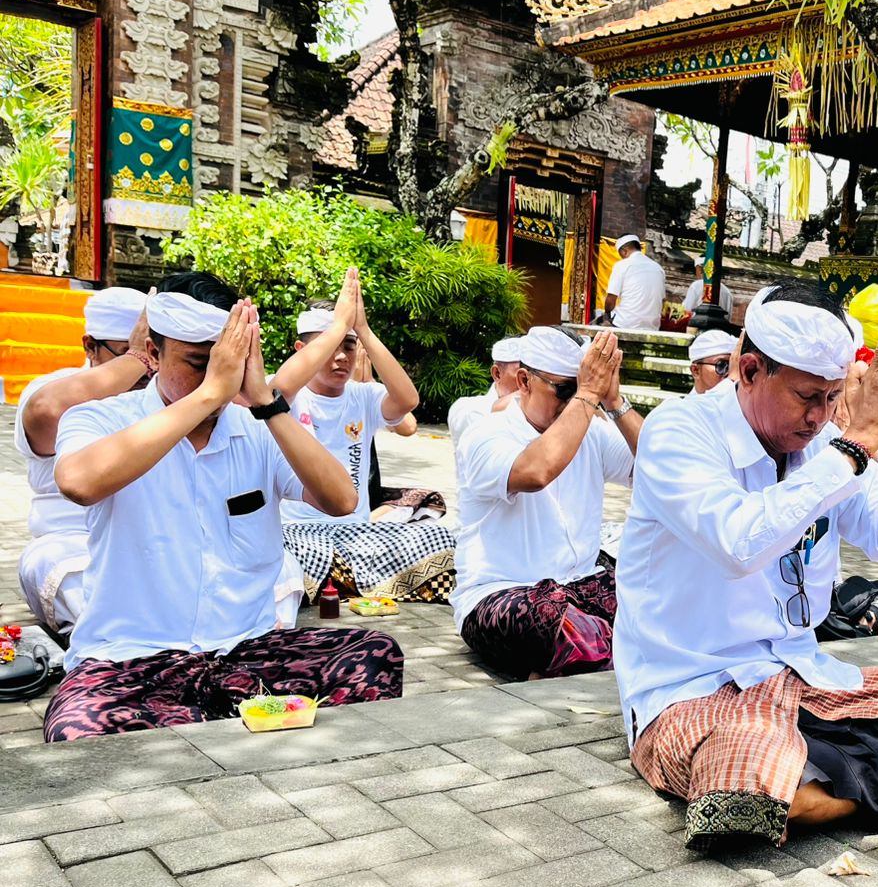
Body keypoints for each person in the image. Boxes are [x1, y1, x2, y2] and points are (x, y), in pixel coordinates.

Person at [614, 282, 878, 849]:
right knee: (745, 785)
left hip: (804, 680)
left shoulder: (831, 445)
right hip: (693, 691)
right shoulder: (679, 431)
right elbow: (740, 545)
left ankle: (851, 777)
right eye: (808, 396)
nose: (820, 417)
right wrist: (857, 440)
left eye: (834, 397)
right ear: (749, 368)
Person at [42, 273, 402, 741]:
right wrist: (211, 392)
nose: (220, 378)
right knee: (80, 731)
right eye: (198, 364)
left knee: (374, 652)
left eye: (230, 363)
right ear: (152, 354)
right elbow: (80, 482)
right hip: (131, 659)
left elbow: (342, 499)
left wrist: (267, 403)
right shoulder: (101, 418)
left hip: (246, 652)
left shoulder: (259, 426)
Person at [453, 329, 640, 679]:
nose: (576, 403)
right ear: (524, 380)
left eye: (584, 390)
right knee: (562, 624)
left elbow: (661, 467)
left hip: (581, 586)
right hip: (503, 595)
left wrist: (614, 403)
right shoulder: (486, 435)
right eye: (566, 390)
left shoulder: (592, 429)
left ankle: (567, 660)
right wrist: (587, 395)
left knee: (663, 595)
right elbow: (536, 471)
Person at [271, 270, 456, 603]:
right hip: (299, 533)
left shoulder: (363, 396)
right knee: (288, 560)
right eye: (330, 346)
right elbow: (279, 388)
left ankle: (345, 581)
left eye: (349, 346)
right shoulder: (289, 396)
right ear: (302, 350)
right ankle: (350, 582)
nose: (342, 356)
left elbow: (407, 403)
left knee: (440, 540)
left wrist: (364, 331)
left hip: (357, 533)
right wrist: (341, 326)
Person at [14, 286, 147, 635]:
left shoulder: (158, 391)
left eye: (153, 353)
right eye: (123, 353)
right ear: (89, 345)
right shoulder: (52, 388)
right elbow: (46, 412)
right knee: (59, 567)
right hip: (73, 538)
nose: (144, 371)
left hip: (150, 537)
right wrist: (136, 360)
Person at [447, 336, 523, 442]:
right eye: (522, 375)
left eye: (535, 374)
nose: (530, 381)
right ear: (497, 374)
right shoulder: (470, 410)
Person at [603, 235, 666, 331]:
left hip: (625, 324)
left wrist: (607, 314)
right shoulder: (658, 268)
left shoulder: (622, 265)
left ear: (624, 251)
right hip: (652, 327)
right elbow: (662, 301)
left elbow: (611, 299)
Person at [686, 328, 738, 394]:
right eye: (722, 365)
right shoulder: (680, 404)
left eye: (732, 365)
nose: (730, 373)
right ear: (696, 371)